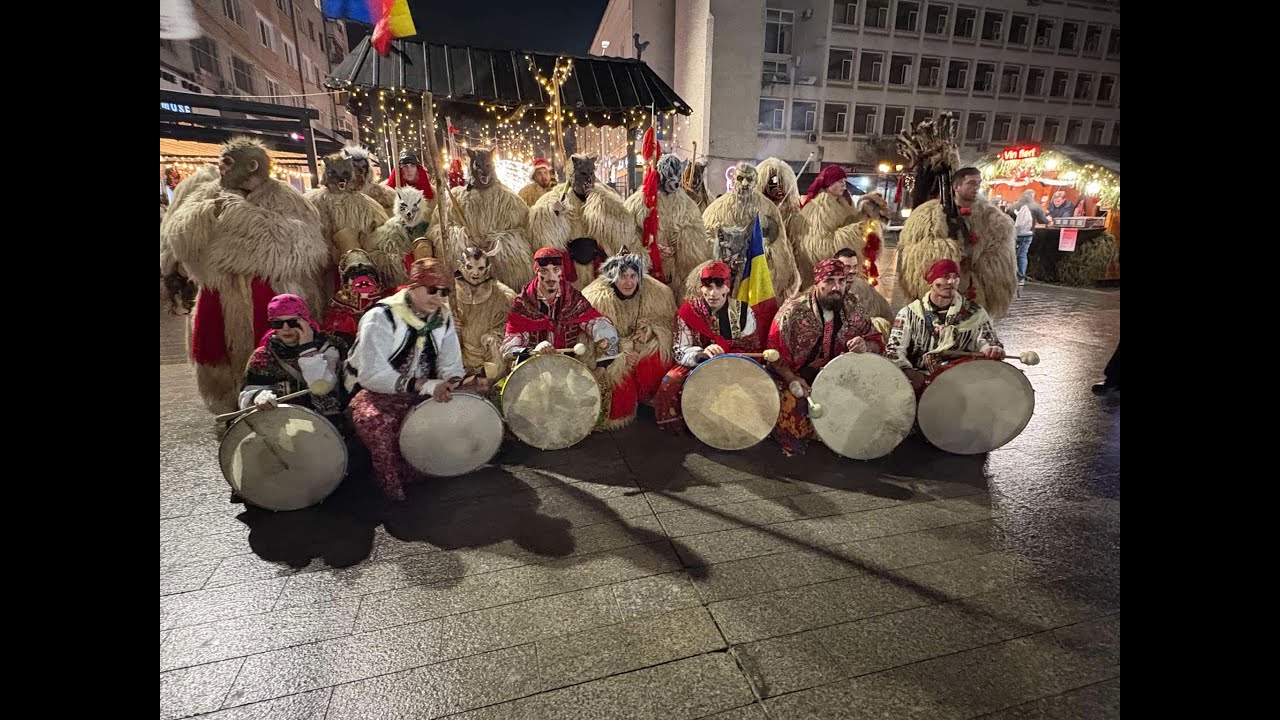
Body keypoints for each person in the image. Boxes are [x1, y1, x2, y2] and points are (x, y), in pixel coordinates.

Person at [160, 137, 330, 413]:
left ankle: (279, 404)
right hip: (218, 295)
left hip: (272, 295)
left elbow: (303, 245)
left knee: (274, 353)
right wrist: (217, 225)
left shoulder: (285, 197)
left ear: (251, 166)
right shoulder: (206, 197)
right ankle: (230, 409)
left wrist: (238, 220)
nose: (223, 170)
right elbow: (182, 242)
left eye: (228, 164)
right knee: (219, 360)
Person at [345, 258, 467, 501]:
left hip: (423, 394)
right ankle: (391, 489)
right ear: (413, 286)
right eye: (432, 290)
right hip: (377, 395)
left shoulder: (443, 316)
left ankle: (431, 478)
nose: (439, 297)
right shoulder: (381, 317)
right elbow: (371, 374)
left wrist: (450, 382)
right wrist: (423, 385)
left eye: (444, 292)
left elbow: (450, 362)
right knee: (376, 422)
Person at [767, 258, 886, 455]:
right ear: (817, 283)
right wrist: (792, 379)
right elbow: (774, 357)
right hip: (798, 379)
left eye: (841, 281)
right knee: (792, 406)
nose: (836, 287)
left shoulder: (853, 307)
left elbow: (876, 341)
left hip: (839, 377)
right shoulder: (793, 311)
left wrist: (866, 345)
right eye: (829, 281)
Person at [895, 165, 1017, 320]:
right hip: (945, 287)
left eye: (978, 183)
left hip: (975, 287)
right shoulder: (929, 214)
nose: (976, 187)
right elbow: (918, 251)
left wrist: (979, 261)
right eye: (971, 183)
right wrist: (950, 254)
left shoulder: (992, 217)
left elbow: (1000, 250)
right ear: (956, 186)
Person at [654, 261, 762, 434]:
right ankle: (679, 427)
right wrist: (700, 354)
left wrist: (726, 357)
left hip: (734, 363)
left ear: (728, 287)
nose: (713, 294)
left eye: (719, 287)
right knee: (670, 381)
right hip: (697, 363)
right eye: (708, 287)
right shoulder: (688, 311)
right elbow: (680, 349)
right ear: (701, 288)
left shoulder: (743, 312)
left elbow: (750, 347)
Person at [582, 250, 677, 428]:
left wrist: (649, 331)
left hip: (641, 349)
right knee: (618, 408)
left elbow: (667, 324)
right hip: (612, 358)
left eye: (633, 276)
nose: (628, 282)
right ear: (612, 278)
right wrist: (624, 351)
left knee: (657, 358)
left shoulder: (657, 293)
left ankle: (647, 397)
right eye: (623, 276)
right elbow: (596, 343)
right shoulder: (596, 299)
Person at [885, 258, 1005, 394]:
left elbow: (989, 342)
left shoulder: (974, 313)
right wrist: (911, 374)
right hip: (920, 382)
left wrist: (992, 349)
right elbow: (894, 351)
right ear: (931, 281)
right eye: (945, 277)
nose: (951, 282)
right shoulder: (909, 314)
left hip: (962, 383)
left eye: (956, 277)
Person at [425, 146, 535, 292]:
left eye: (487, 166)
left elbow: (524, 228)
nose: (483, 171)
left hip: (502, 268)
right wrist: (461, 239)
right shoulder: (456, 199)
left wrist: (501, 242)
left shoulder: (509, 199)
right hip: (468, 269)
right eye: (478, 166)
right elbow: (439, 228)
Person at [527, 153, 638, 289]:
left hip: (598, 264)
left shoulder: (605, 194)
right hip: (572, 267)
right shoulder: (556, 197)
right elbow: (540, 231)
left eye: (592, 173)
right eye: (584, 174)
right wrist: (553, 214)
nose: (589, 179)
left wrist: (601, 202)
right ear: (572, 175)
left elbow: (622, 224)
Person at [700, 161, 800, 302]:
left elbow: (779, 246)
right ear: (734, 179)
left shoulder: (768, 208)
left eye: (749, 179)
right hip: (722, 276)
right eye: (741, 179)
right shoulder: (716, 209)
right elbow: (704, 238)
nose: (745, 184)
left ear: (756, 181)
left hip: (756, 274)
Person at [240, 293, 349, 422]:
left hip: (328, 425)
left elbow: (321, 387)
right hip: (282, 424)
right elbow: (249, 393)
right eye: (278, 324)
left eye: (292, 322)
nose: (286, 328)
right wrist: (258, 397)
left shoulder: (331, 347)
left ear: (305, 321)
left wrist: (307, 349)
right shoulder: (262, 356)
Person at [501, 247, 619, 364]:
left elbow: (594, 321)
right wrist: (534, 351)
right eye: (544, 271)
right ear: (536, 272)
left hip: (568, 368)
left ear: (561, 271)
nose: (551, 277)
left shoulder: (572, 298)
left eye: (555, 270)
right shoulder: (523, 304)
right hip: (534, 371)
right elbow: (509, 352)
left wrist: (605, 339)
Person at [623, 153, 710, 291]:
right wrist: (648, 251)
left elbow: (696, 233)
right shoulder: (639, 202)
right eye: (670, 175)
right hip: (648, 274)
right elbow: (628, 232)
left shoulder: (687, 204)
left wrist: (683, 243)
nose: (674, 181)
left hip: (676, 272)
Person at [452, 246, 517, 380]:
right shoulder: (449, 293)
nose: (475, 273)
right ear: (461, 266)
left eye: (480, 268)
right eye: (469, 267)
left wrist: (494, 339)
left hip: (489, 360)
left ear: (487, 268)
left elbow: (511, 326)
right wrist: (449, 325)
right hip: (459, 360)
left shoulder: (503, 295)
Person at [795, 166, 859, 287]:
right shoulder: (820, 209)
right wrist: (854, 232)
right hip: (821, 273)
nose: (844, 186)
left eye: (844, 182)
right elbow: (818, 245)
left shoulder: (842, 204)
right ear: (829, 183)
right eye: (840, 181)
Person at [1010, 190, 1050, 286]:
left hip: (1014, 233)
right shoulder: (1036, 206)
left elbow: (1007, 218)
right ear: (1032, 196)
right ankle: (1021, 278)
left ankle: (1009, 275)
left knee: (1011, 253)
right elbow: (1042, 221)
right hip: (1027, 234)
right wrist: (1049, 220)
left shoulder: (1013, 206)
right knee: (1022, 254)